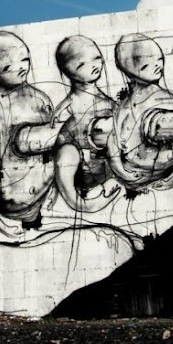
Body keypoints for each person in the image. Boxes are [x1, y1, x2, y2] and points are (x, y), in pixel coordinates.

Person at [0, 31, 55, 239]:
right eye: (8, 67)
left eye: (24, 59)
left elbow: (53, 149)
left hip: (42, 189)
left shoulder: (40, 98)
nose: (20, 67)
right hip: (11, 196)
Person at [107, 33, 173, 192]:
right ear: (129, 72)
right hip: (132, 176)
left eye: (159, 59)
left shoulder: (166, 100)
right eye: (145, 66)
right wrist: (121, 171)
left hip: (161, 176)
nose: (157, 66)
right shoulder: (124, 106)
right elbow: (113, 141)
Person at [52, 35, 120, 213]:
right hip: (78, 163)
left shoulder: (108, 102)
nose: (94, 66)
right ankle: (78, 202)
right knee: (66, 156)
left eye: (97, 58)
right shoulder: (69, 104)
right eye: (82, 64)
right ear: (67, 71)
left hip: (103, 163)